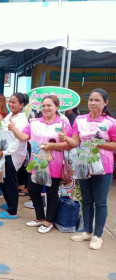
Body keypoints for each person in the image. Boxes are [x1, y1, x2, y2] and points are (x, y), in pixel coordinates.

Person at [9, 95, 71, 233]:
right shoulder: (35, 122)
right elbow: (24, 137)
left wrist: (51, 146)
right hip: (36, 163)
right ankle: (40, 218)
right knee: (33, 189)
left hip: (54, 164)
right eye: (43, 106)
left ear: (57, 107)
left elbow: (69, 144)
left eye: (49, 105)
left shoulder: (63, 123)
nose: (46, 108)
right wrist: (13, 129)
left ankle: (49, 221)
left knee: (51, 192)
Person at [62, 88, 116, 250]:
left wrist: (97, 143)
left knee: (100, 202)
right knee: (86, 199)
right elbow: (76, 142)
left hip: (103, 166)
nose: (93, 103)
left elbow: (114, 144)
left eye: (97, 100)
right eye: (91, 99)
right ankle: (87, 231)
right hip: (83, 164)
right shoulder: (80, 120)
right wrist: (66, 139)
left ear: (105, 103)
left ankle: (98, 235)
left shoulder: (111, 123)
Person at [0, 93, 29, 219]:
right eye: (10, 101)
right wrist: (0, 122)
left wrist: (5, 153)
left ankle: (12, 211)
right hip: (3, 152)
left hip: (12, 155)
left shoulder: (22, 120)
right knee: (2, 180)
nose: (10, 104)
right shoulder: (10, 115)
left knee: (10, 182)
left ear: (22, 105)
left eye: (14, 102)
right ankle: (9, 203)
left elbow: (19, 140)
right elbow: (4, 132)